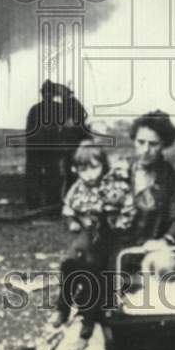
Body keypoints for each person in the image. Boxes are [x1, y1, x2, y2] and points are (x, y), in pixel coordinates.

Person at [52, 141, 134, 337]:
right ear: (76, 170)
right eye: (83, 169)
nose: (89, 174)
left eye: (94, 168)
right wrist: (73, 221)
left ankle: (88, 317)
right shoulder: (77, 188)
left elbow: (129, 208)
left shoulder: (114, 186)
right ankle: (63, 306)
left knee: (92, 268)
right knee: (69, 263)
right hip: (88, 231)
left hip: (110, 234)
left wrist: (120, 223)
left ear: (103, 166)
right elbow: (68, 208)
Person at [24, 80, 90, 210]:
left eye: (49, 92)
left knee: (47, 176)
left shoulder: (42, 109)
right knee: (45, 175)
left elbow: (77, 117)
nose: (48, 95)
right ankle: (45, 204)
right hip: (44, 148)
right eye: (46, 92)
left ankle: (43, 204)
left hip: (44, 148)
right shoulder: (54, 108)